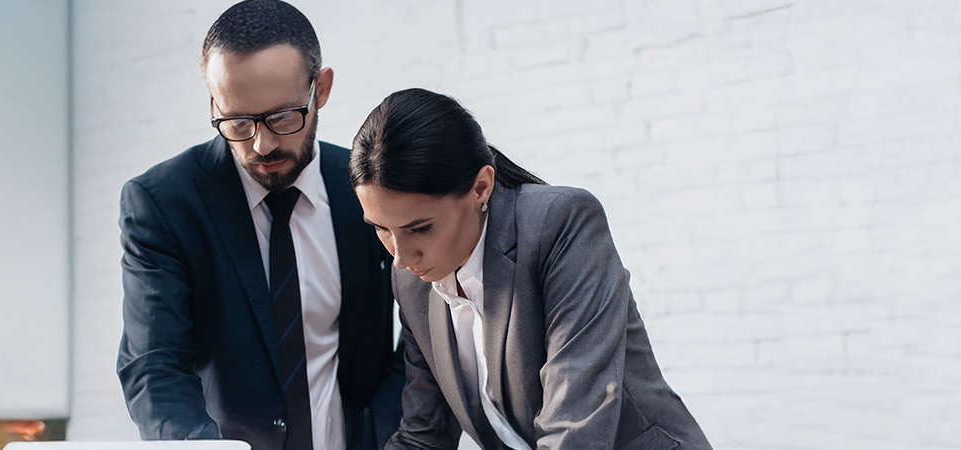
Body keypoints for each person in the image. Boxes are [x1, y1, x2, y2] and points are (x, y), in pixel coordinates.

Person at [350, 88, 712, 450]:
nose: (400, 256)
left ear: (480, 188)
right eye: (381, 228)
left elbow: (573, 428)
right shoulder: (412, 283)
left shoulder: (561, 223)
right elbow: (424, 435)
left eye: (420, 228)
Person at [116, 2, 403, 449]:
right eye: (237, 121)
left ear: (320, 89)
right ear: (214, 102)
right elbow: (154, 364)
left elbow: (423, 341)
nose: (262, 143)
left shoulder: (366, 188)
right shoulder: (162, 204)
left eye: (283, 117)